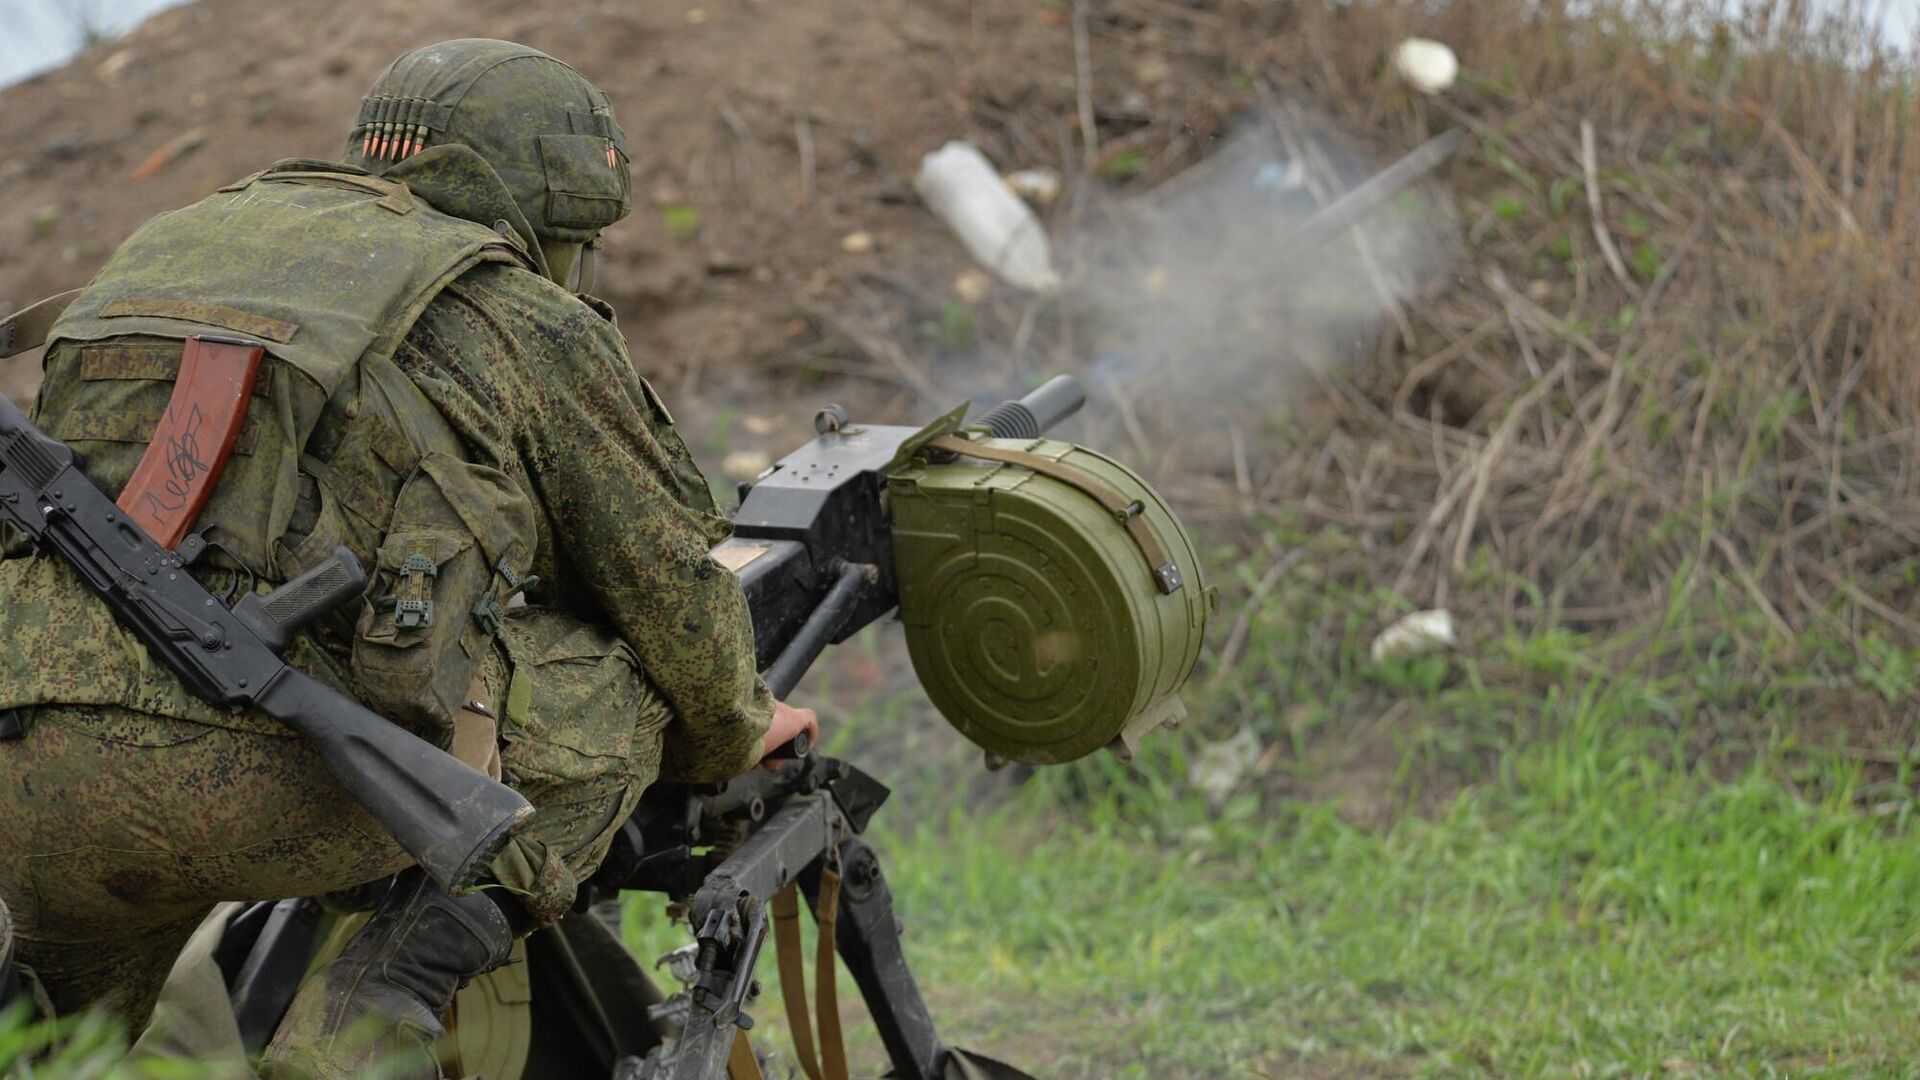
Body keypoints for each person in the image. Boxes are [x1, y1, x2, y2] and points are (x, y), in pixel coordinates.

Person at [0, 38, 816, 1078]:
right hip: (243, 771)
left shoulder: (162, 248)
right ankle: (365, 1016)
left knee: (68, 1057)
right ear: (541, 206)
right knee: (626, 696)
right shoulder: (509, 309)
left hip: (24, 764)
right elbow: (670, 598)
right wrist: (736, 727)